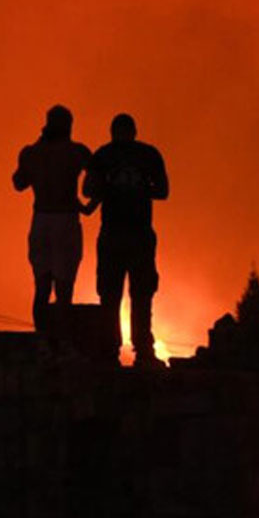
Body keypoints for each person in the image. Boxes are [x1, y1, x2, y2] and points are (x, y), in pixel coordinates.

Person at [83, 113, 169, 368]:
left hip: (116, 235)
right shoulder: (148, 154)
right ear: (134, 131)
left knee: (113, 295)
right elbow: (163, 191)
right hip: (136, 234)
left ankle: (113, 352)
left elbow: (88, 190)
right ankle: (140, 351)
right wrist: (140, 188)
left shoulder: (103, 155)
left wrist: (111, 187)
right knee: (138, 295)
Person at [13, 105, 95, 331]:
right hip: (65, 220)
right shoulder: (77, 152)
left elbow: (19, 183)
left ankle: (43, 342)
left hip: (40, 219)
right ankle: (62, 343)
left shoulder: (31, 153)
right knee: (64, 287)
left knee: (41, 286)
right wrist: (88, 205)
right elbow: (96, 179)